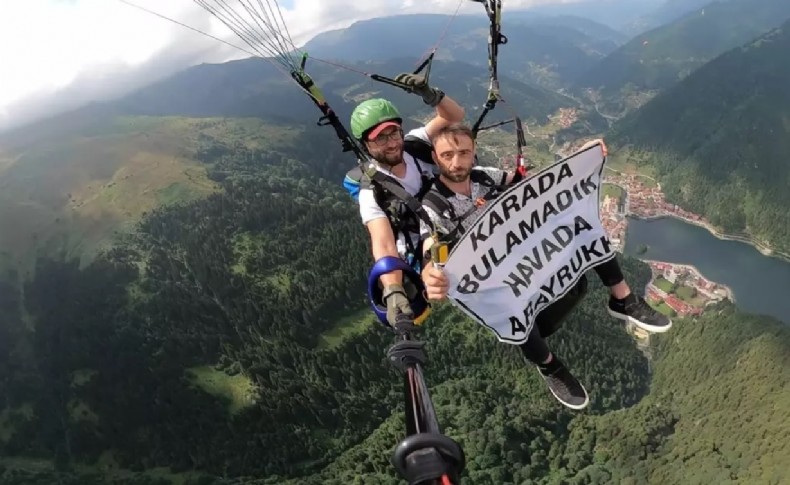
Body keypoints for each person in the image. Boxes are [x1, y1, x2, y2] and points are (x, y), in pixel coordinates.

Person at [417, 122, 672, 410]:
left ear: (473, 151)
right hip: (496, 277)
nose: (457, 162)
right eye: (447, 155)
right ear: (436, 158)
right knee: (509, 312)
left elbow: (537, 190)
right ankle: (549, 366)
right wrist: (430, 274)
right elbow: (430, 246)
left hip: (524, 252)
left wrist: (579, 160)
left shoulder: (487, 178)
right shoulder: (432, 204)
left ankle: (622, 298)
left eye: (463, 152)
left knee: (581, 224)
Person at [344, 73, 465, 329]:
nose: (392, 143)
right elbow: (384, 244)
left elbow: (454, 117)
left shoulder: (413, 145)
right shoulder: (372, 191)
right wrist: (394, 290)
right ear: (366, 144)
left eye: (394, 133)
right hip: (426, 243)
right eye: (381, 138)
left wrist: (432, 95)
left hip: (455, 217)